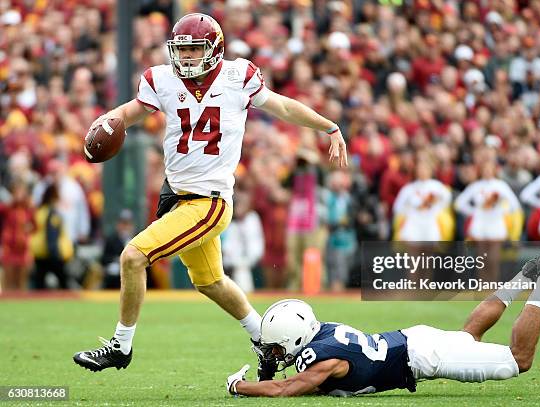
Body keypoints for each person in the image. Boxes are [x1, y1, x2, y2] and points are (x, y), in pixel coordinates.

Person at [73, 13, 348, 376]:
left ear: (215, 49)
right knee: (211, 281)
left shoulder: (239, 77)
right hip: (177, 196)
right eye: (181, 50)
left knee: (133, 257)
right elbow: (132, 111)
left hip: (210, 201)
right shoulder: (161, 79)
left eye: (194, 49)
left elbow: (282, 106)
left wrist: (328, 126)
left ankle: (120, 347)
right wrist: (109, 120)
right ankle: (265, 343)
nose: (186, 57)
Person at [226, 256, 540, 397]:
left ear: (297, 337)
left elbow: (287, 388)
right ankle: (525, 274)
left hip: (423, 356)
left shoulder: (320, 357)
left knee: (519, 360)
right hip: (413, 338)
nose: (276, 354)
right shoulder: (323, 331)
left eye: (278, 347)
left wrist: (241, 386)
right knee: (468, 336)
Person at [392, 160, 451, 241]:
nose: (423, 172)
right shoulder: (409, 188)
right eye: (420, 169)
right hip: (413, 223)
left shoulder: (438, 186)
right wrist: (408, 211)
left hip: (431, 222)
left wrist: (435, 206)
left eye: (425, 169)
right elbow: (398, 207)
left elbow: (446, 200)